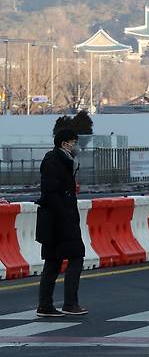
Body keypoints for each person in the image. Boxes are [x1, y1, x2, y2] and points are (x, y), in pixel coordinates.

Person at [36, 129, 87, 317]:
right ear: (64, 144)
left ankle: (45, 305)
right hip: (59, 219)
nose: (76, 147)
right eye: (74, 143)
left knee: (53, 261)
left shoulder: (64, 161)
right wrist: (66, 214)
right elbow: (50, 193)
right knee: (76, 257)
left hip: (58, 218)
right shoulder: (54, 161)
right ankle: (70, 303)